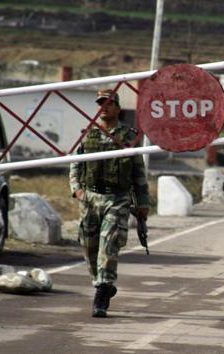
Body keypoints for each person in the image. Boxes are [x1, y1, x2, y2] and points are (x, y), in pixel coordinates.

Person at [69, 89, 150, 318]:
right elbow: (75, 164)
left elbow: (138, 172)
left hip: (118, 198)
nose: (104, 107)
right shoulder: (87, 136)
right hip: (90, 198)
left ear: (117, 108)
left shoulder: (129, 137)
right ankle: (102, 281)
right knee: (89, 245)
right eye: (100, 103)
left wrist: (143, 203)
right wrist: (76, 189)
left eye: (109, 103)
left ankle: (102, 294)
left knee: (109, 243)